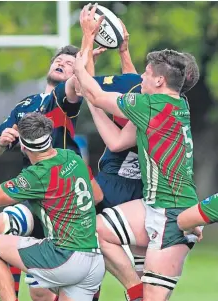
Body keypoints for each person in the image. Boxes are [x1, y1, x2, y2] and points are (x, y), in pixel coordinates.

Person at [74, 47, 200, 301]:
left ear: (159, 80)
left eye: (147, 72)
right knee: (97, 228)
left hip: (171, 214)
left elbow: (98, 95)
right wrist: (123, 52)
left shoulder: (151, 106)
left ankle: (140, 293)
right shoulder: (175, 103)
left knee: (155, 297)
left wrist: (80, 63)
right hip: (155, 205)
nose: (141, 76)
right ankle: (135, 291)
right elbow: (118, 139)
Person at [0, 113, 105, 301]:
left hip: (65, 258)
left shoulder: (37, 175)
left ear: (24, 147)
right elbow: (97, 195)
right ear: (49, 139)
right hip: (94, 260)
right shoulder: (72, 157)